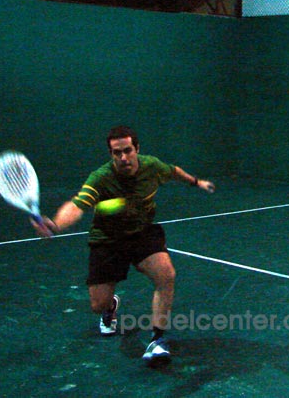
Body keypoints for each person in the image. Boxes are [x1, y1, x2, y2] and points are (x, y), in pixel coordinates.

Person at [33, 125, 215, 365]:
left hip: (142, 233)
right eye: (117, 153)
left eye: (127, 150)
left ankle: (157, 340)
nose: (123, 157)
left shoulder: (151, 166)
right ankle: (110, 307)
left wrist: (196, 182)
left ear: (137, 149)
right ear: (111, 154)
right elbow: (77, 205)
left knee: (166, 275)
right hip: (107, 240)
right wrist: (56, 224)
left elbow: (173, 172)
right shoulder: (101, 177)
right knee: (98, 304)